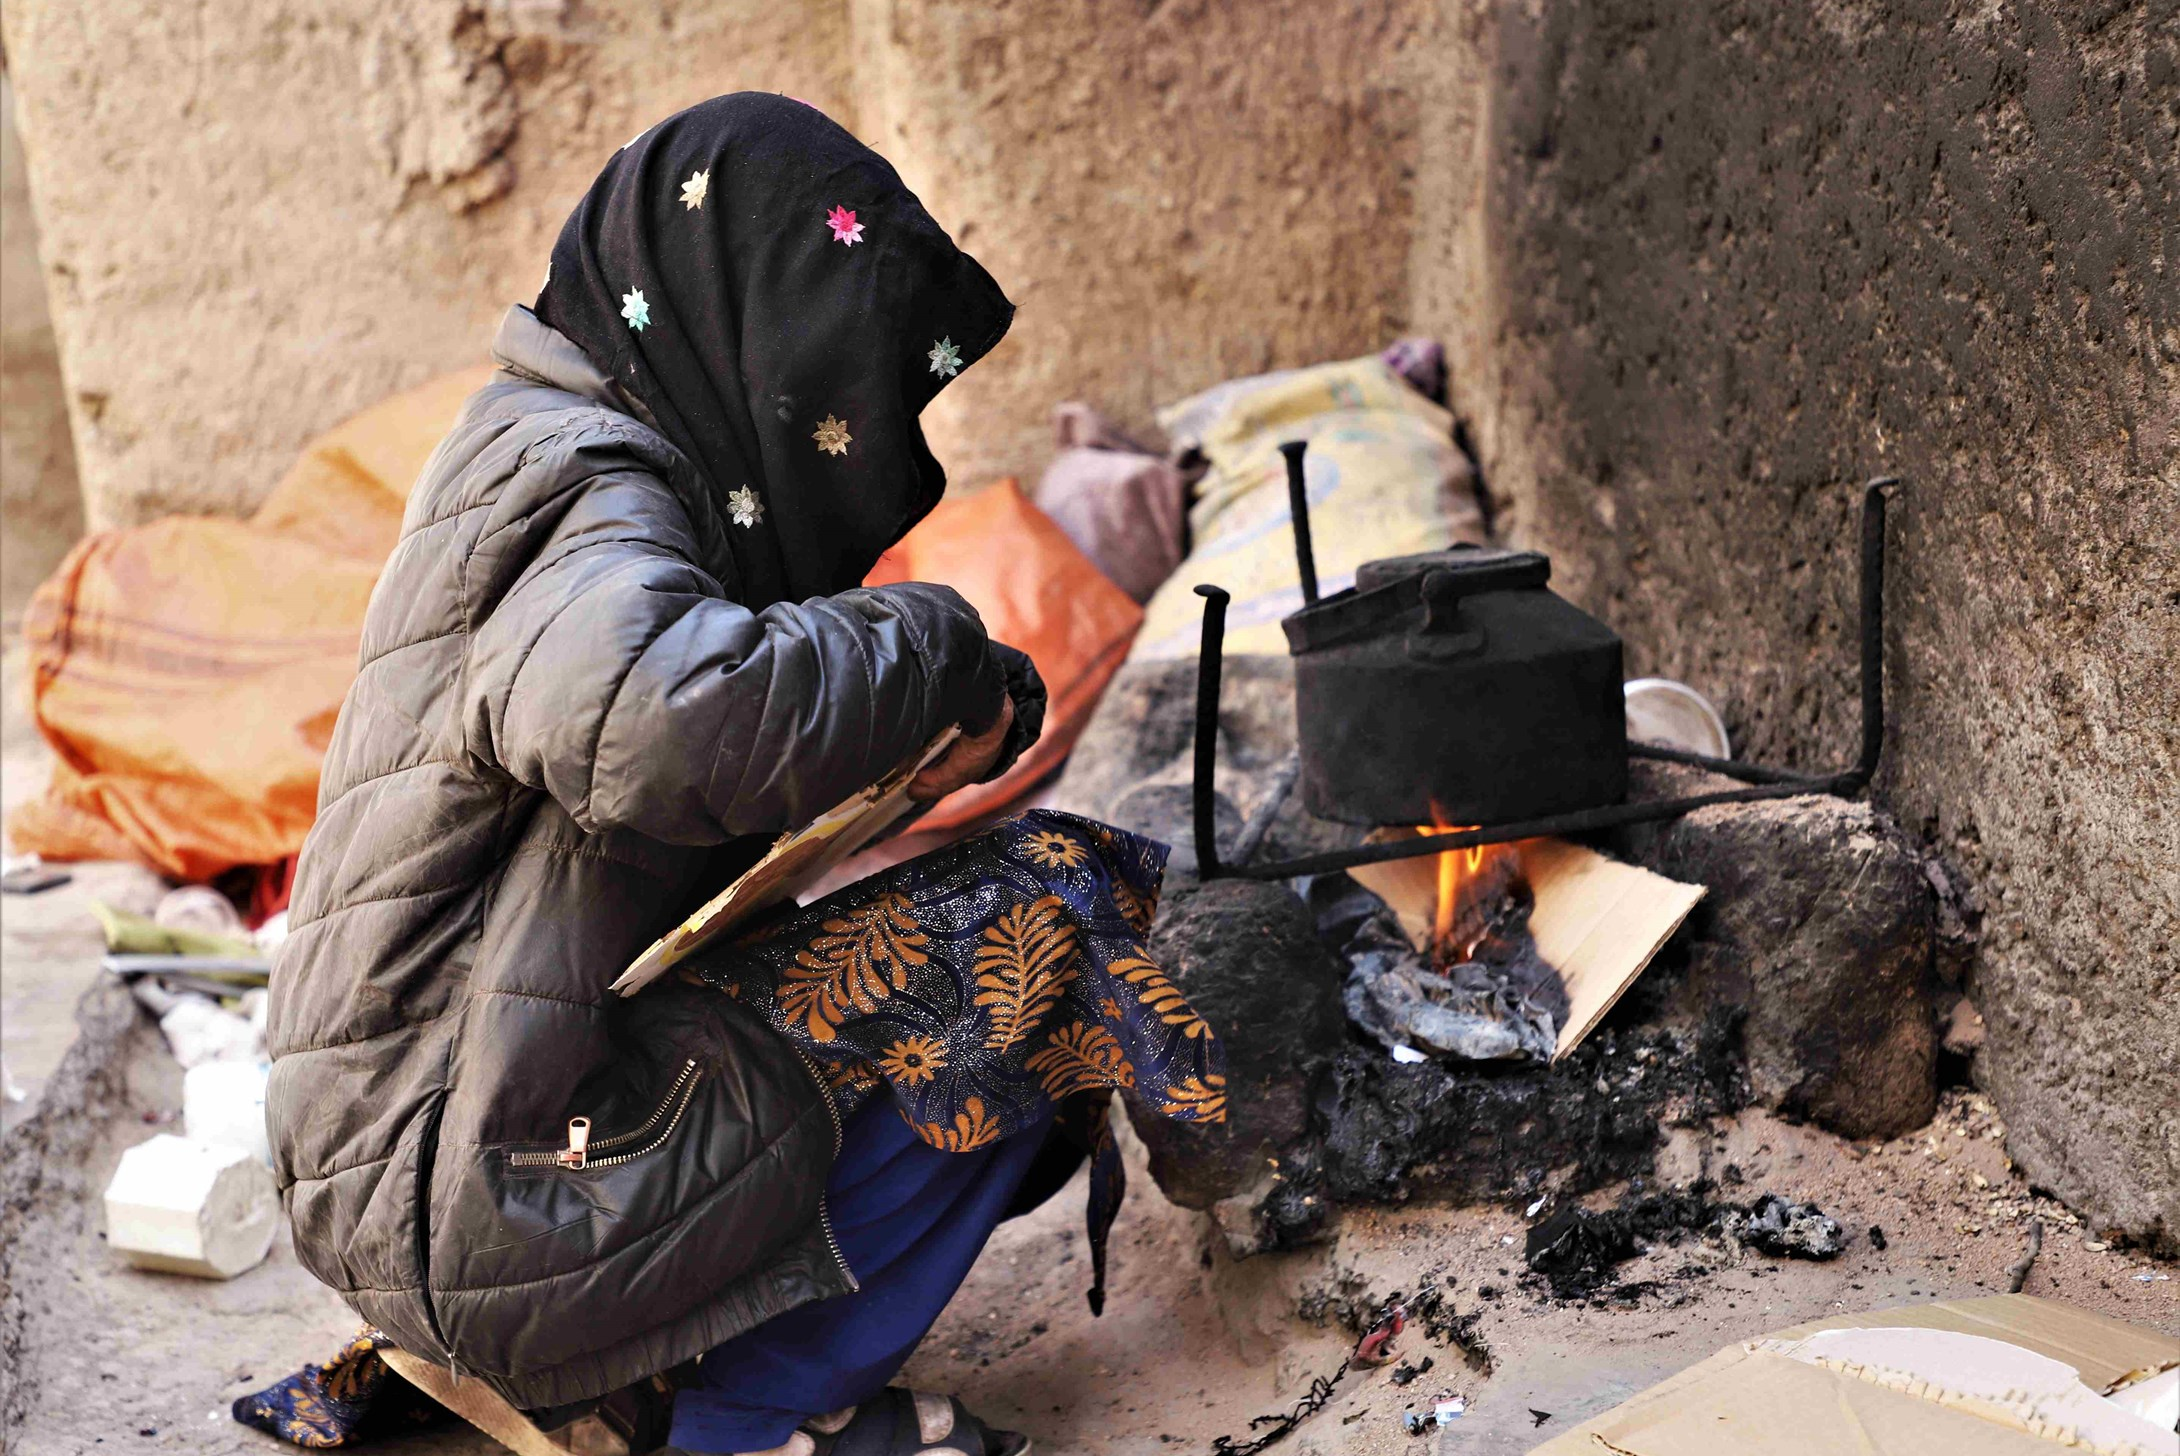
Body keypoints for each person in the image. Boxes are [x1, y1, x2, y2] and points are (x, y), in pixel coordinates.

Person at [262, 94, 1221, 1456]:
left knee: (936, 932)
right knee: (1045, 924)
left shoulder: (546, 444)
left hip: (425, 1156)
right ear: (752, 334)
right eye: (838, 395)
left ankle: (654, 1362)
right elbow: (656, 723)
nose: (863, 445)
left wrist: (910, 737)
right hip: (479, 1184)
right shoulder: (589, 491)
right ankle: (757, 1414)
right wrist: (935, 644)